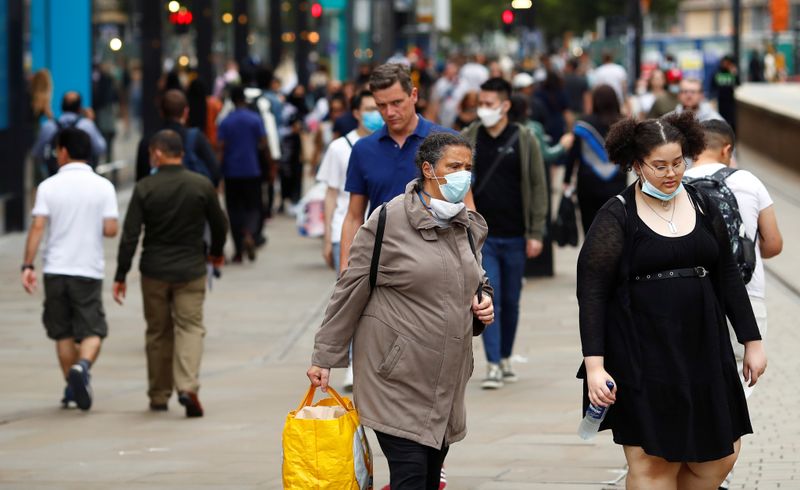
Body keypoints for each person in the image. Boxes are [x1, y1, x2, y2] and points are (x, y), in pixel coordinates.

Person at [577, 112, 767, 489]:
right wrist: (595, 366)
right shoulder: (616, 214)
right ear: (636, 164)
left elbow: (727, 274)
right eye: (659, 165)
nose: (671, 173)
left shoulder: (700, 204)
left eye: (678, 162)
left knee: (722, 455)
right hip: (642, 351)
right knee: (653, 463)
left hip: (704, 346)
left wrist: (752, 340)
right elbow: (592, 292)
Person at [307, 132, 494, 490]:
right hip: (396, 378)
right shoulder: (388, 221)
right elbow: (350, 289)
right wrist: (324, 357)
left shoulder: (467, 224)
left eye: (467, 168)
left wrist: (482, 301)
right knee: (409, 476)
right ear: (428, 169)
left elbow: (476, 278)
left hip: (446, 380)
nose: (462, 175)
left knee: (427, 479)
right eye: (453, 166)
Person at [683, 120, 782, 489]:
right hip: (747, 296)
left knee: (696, 376)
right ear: (727, 149)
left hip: (694, 299)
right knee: (737, 385)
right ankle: (719, 465)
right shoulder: (748, 181)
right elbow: (773, 244)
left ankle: (694, 456)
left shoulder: (677, 181)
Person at [113, 129, 227, 417]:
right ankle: (187, 386)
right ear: (182, 154)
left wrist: (120, 274)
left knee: (158, 332)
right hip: (191, 269)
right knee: (190, 327)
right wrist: (215, 252)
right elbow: (219, 223)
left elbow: (129, 235)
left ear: (158, 153)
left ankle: (159, 393)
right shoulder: (201, 185)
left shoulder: (145, 188)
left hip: (154, 271)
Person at [21, 127, 119, 411]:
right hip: (87, 268)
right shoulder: (104, 187)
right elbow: (111, 229)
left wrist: (27, 264)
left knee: (62, 332)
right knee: (93, 330)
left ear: (63, 151)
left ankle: (72, 385)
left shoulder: (48, 186)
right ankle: (83, 367)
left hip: (55, 269)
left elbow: (38, 226)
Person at [461, 77, 548, 389]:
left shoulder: (524, 139)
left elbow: (538, 186)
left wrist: (536, 231)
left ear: (505, 105)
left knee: (511, 300)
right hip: (482, 239)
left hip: (515, 235)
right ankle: (494, 363)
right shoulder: (468, 137)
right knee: (489, 298)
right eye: (480, 104)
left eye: (489, 104)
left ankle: (507, 356)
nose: (483, 110)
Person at [338, 63, 459, 273]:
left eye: (396, 102)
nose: (389, 112)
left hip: (438, 266)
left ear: (413, 95)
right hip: (381, 264)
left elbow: (466, 208)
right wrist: (345, 270)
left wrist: (475, 274)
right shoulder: (363, 149)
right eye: (381, 105)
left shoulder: (447, 143)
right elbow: (354, 216)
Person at [564, 85, 627, 233]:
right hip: (617, 184)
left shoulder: (583, 124)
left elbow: (573, 155)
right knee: (616, 230)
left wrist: (566, 180)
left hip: (588, 185)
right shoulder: (624, 124)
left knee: (590, 229)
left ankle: (591, 256)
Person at [217, 85, 268, 262]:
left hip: (231, 172)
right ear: (244, 99)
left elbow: (221, 148)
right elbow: (263, 141)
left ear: (231, 100)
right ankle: (249, 232)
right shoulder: (255, 119)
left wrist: (219, 172)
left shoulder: (226, 121)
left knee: (234, 209)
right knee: (253, 206)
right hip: (252, 169)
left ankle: (238, 251)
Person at [135, 89, 221, 186]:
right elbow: (215, 172)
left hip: (157, 198)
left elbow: (140, 180)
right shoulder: (196, 137)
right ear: (186, 112)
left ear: (161, 112)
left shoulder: (147, 141)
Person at [32, 91, 107, 176]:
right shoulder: (87, 125)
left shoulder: (48, 126)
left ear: (62, 106)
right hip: (82, 177)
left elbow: (37, 153)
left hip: (54, 176)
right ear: (79, 108)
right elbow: (101, 148)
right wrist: (91, 122)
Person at [710, 56, 740, 132]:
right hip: (721, 100)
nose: (725, 64)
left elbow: (738, 83)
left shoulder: (732, 73)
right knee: (721, 119)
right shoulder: (717, 73)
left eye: (727, 63)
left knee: (732, 120)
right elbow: (713, 86)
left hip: (730, 100)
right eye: (724, 62)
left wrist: (734, 74)